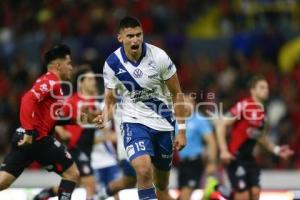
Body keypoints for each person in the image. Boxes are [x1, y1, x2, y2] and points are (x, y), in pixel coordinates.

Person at [93, 16, 187, 200]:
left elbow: (177, 94)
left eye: (138, 35)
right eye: (130, 36)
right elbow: (110, 100)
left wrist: (182, 130)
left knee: (161, 185)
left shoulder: (159, 56)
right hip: (133, 121)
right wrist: (104, 116)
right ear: (120, 38)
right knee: (143, 171)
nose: (135, 40)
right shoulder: (112, 64)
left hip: (163, 123)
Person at [0, 44, 80, 200]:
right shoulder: (52, 82)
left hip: (27, 138)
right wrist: (30, 132)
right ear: (58, 65)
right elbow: (27, 99)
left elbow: (56, 116)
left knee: (3, 182)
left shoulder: (48, 83)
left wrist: (81, 120)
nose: (71, 67)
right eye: (69, 63)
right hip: (38, 138)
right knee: (72, 173)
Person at [215, 75, 294, 200]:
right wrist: (224, 150)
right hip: (236, 156)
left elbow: (261, 137)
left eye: (267, 88)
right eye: (262, 87)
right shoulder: (244, 105)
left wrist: (277, 150)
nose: (266, 90)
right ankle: (217, 188)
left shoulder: (263, 113)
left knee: (256, 192)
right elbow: (221, 124)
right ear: (252, 90)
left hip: (249, 158)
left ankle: (219, 188)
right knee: (243, 196)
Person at [34, 66, 99, 200]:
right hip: (75, 147)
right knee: (90, 183)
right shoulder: (72, 101)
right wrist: (61, 131)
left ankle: (45, 194)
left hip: (87, 149)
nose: (94, 82)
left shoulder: (94, 102)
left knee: (75, 183)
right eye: (90, 79)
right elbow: (53, 117)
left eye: (94, 79)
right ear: (81, 82)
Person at [177, 94, 217, 200]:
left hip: (195, 161)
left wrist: (212, 163)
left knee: (185, 195)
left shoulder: (199, 119)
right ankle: (209, 187)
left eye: (189, 102)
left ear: (194, 105)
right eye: (183, 102)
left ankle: (210, 185)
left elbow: (211, 141)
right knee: (182, 195)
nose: (186, 105)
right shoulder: (177, 120)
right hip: (182, 163)